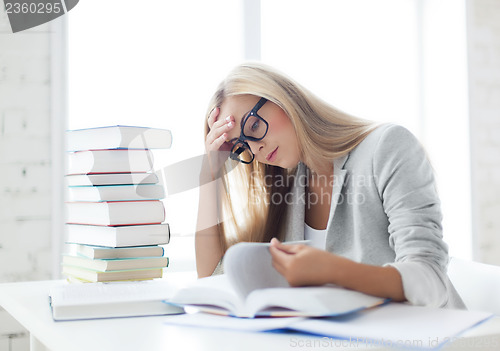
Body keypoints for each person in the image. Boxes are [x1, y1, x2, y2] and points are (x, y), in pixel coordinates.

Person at [195, 62, 465, 308]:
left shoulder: (387, 146)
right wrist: (209, 174)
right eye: (242, 146)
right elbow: (210, 276)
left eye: (254, 125)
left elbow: (430, 278)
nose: (257, 148)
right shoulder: (285, 186)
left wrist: (333, 270)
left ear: (284, 99)